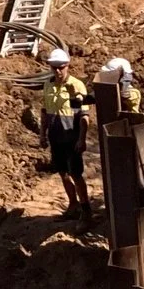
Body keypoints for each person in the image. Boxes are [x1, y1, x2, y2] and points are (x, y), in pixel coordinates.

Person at [42, 46, 93, 224]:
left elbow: (84, 116)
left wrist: (82, 139)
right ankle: (73, 205)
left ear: (68, 66)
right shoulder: (48, 85)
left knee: (76, 174)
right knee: (62, 172)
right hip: (56, 137)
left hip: (71, 138)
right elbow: (46, 112)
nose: (58, 71)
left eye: (61, 67)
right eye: (54, 67)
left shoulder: (77, 86)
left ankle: (86, 210)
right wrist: (43, 134)